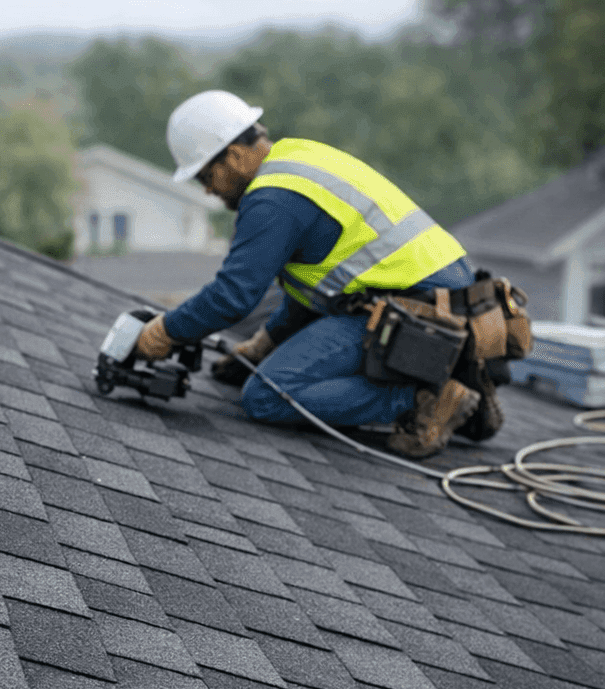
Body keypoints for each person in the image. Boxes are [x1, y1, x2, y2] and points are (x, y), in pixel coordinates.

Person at [132, 90, 498, 458]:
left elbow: (233, 296)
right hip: (441, 304)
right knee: (275, 372)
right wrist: (268, 342)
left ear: (235, 155)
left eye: (207, 176)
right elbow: (322, 285)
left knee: (267, 396)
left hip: (421, 315)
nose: (209, 190)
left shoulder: (272, 199)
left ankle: (424, 399)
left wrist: (163, 333)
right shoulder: (297, 159)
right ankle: (436, 387)